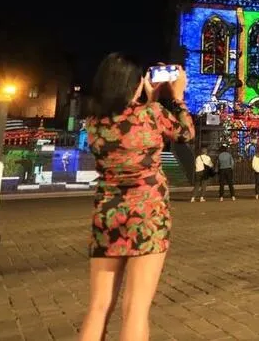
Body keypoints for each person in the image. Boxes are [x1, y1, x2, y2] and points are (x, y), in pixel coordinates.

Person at [78, 55, 194, 341]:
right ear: (135, 84)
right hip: (146, 215)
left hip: (107, 214)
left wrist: (149, 100)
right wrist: (177, 97)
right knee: (135, 310)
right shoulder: (152, 114)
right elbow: (186, 133)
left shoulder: (94, 122)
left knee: (98, 307)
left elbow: (128, 124)